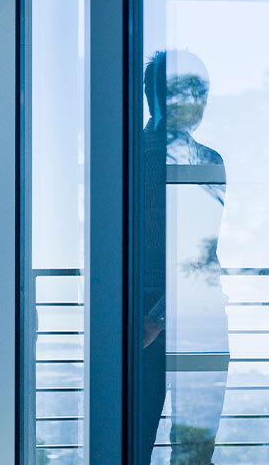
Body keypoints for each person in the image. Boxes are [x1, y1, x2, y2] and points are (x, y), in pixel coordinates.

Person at [141, 50, 229, 464]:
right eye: (191, 90)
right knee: (192, 454)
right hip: (188, 322)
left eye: (203, 92)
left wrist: (153, 318)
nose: (200, 102)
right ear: (157, 96)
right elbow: (198, 253)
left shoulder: (119, 160)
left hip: (154, 321)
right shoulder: (206, 161)